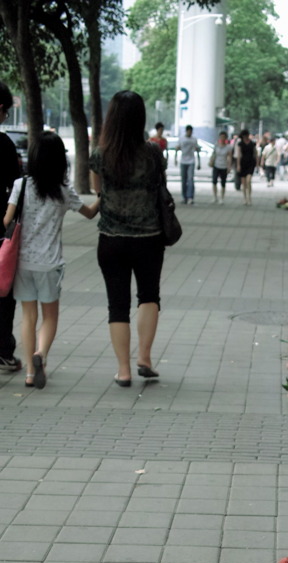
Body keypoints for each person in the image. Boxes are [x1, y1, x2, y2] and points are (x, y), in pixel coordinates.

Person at [4, 132, 98, 389]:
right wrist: (103, 196)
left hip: (23, 263)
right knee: (50, 317)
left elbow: (5, 222)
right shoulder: (63, 190)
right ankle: (41, 355)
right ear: (60, 161)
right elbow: (89, 213)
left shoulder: (20, 185)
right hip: (51, 264)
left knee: (28, 316)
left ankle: (29, 375)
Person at [90, 90, 166, 386]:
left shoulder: (100, 155)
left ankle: (123, 371)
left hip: (110, 239)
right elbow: (158, 183)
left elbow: (99, 190)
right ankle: (144, 358)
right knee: (149, 296)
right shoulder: (152, 152)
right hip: (149, 238)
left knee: (117, 305)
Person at [0, 79, 22, 373]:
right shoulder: (3, 145)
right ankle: (3, 350)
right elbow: (16, 187)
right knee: (3, 291)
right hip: (0, 229)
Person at [174, 124, 200, 204]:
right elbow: (177, 149)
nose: (190, 133)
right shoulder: (181, 138)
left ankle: (190, 197)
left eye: (191, 132)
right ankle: (184, 197)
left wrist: (199, 162)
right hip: (183, 161)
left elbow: (197, 150)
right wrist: (175, 159)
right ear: (186, 131)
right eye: (189, 131)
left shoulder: (194, 139)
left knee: (190, 179)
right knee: (183, 180)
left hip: (191, 161)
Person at [235, 129, 257, 205]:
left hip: (251, 163)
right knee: (244, 183)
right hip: (243, 163)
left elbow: (255, 153)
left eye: (246, 135)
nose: (245, 137)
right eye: (244, 136)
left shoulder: (252, 143)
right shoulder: (240, 144)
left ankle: (249, 197)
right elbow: (239, 155)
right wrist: (238, 165)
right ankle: (245, 198)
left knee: (248, 181)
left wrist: (257, 163)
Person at [210, 130, 230, 203]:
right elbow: (213, 154)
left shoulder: (228, 147)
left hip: (224, 166)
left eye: (224, 137)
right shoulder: (216, 145)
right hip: (216, 165)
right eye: (221, 137)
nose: (222, 138)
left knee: (223, 183)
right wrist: (211, 161)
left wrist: (229, 167)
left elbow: (229, 157)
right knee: (214, 181)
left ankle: (222, 198)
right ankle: (215, 196)